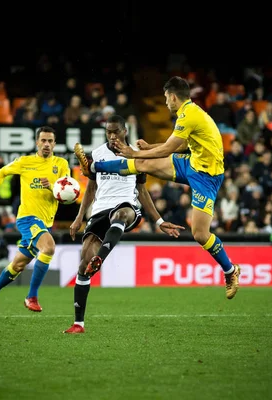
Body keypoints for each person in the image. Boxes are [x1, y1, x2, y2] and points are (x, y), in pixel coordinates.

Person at [74, 76, 241, 299]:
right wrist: (149, 148)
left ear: (173, 96)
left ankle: (230, 270)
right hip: (191, 163)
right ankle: (94, 166)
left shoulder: (189, 114)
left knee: (200, 234)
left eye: (165, 98)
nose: (165, 103)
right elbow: (181, 144)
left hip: (206, 176)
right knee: (142, 165)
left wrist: (137, 152)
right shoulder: (188, 113)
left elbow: (169, 149)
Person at [64, 115, 184, 334]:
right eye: (108, 132)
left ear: (124, 131)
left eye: (115, 131)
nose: (111, 136)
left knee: (122, 214)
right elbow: (91, 188)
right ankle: (78, 324)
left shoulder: (136, 156)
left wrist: (158, 220)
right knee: (83, 266)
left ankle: (101, 257)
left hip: (126, 205)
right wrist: (79, 217)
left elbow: (142, 190)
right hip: (100, 210)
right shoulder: (98, 154)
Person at [0, 126, 70, 314]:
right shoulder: (25, 162)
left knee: (18, 265)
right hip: (27, 218)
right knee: (49, 247)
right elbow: (2, 172)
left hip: (45, 222)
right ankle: (31, 296)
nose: (46, 144)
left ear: (55, 144)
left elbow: (67, 195)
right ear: (37, 142)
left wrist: (51, 187)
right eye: (43, 140)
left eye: (50, 141)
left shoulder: (62, 164)